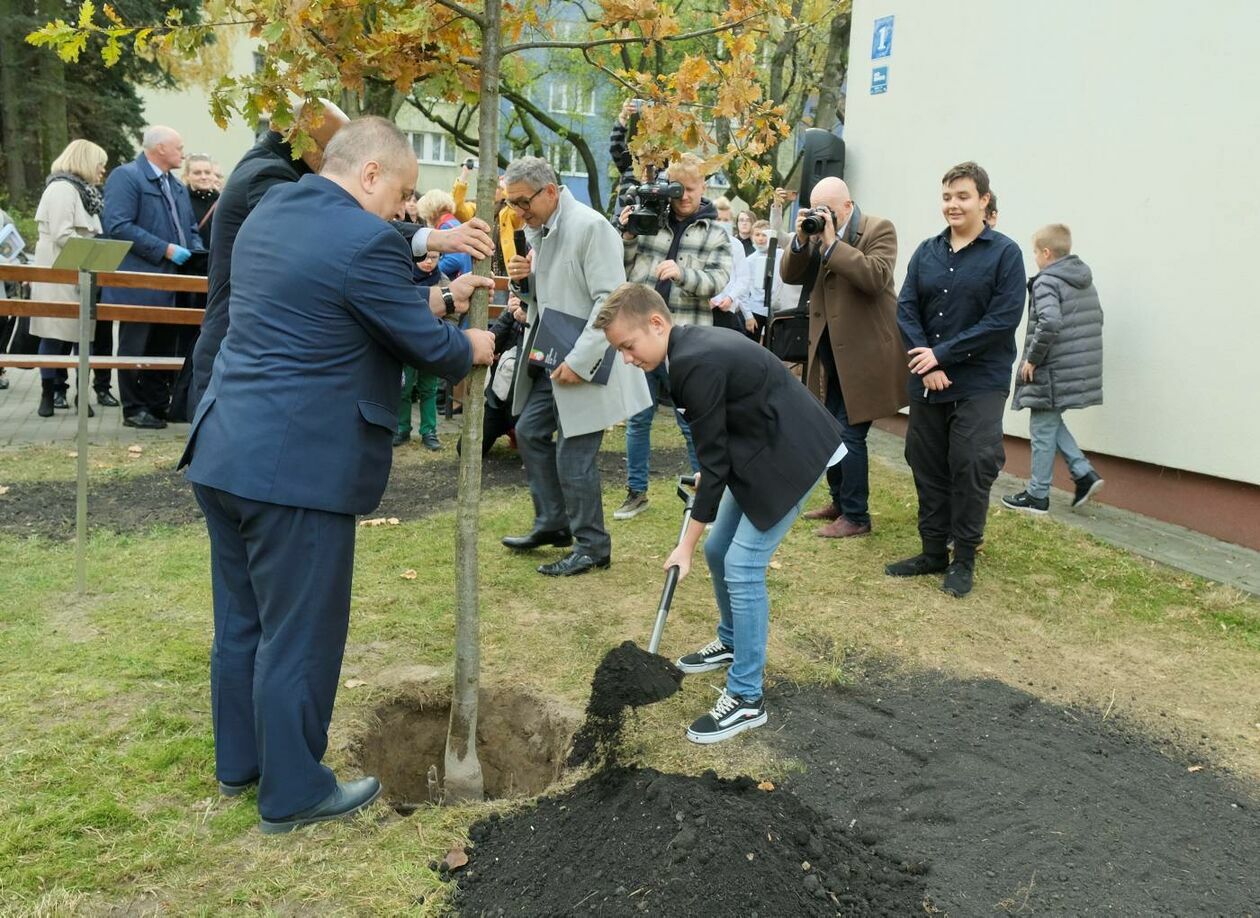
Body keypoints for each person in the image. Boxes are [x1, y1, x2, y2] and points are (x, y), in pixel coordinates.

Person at [179, 116, 496, 834]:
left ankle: (242, 765)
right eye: (403, 192)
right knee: (300, 634)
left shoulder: (269, 209)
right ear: (370, 175)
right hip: (296, 470)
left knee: (241, 623)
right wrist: (468, 342)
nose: (406, 210)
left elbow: (346, 297)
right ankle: (293, 793)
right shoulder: (363, 242)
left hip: (222, 449)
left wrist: (428, 271)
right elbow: (423, 345)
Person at [596, 283, 844, 744]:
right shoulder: (684, 352)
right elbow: (717, 448)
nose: (627, 359)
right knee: (718, 549)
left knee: (743, 566)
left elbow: (714, 465)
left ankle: (747, 699)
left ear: (656, 323)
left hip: (792, 455)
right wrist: (701, 511)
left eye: (627, 347)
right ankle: (732, 640)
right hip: (760, 448)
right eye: (619, 351)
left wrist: (681, 548)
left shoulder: (694, 361)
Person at [188, 102, 493, 415]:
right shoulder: (269, 179)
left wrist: (444, 290)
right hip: (248, 374)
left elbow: (342, 283)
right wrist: (465, 345)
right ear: (311, 145)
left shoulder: (279, 173)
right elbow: (344, 250)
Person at [502, 157, 651, 576]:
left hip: (588, 360)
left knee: (574, 457)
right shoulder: (542, 229)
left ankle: (592, 547)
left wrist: (580, 362)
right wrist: (522, 281)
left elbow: (610, 299)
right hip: (554, 357)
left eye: (522, 201)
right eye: (511, 203)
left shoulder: (590, 227)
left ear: (550, 191)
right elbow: (549, 296)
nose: (517, 211)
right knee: (529, 431)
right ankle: (553, 523)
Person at [889, 161, 1026, 598]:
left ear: (984, 200)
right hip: (927, 378)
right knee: (925, 462)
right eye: (947, 196)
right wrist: (929, 365)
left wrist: (942, 355)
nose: (953, 204)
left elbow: (1002, 321)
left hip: (980, 382)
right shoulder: (927, 252)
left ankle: (963, 556)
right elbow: (906, 308)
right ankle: (932, 552)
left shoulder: (1006, 254)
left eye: (963, 196)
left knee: (970, 463)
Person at [782, 177, 909, 539]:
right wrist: (802, 239)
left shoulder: (877, 229)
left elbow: (875, 276)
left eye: (829, 211)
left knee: (848, 435)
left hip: (867, 356)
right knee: (828, 430)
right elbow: (791, 274)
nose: (823, 218)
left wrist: (833, 242)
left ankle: (857, 515)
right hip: (830, 354)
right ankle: (840, 502)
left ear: (848, 207)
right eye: (816, 210)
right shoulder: (817, 235)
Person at [614, 152, 730, 520]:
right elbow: (622, 263)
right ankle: (636, 492)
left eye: (691, 190)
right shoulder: (651, 220)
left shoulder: (715, 232)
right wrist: (628, 233)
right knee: (638, 416)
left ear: (704, 187)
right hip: (640, 337)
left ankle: (704, 496)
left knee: (692, 421)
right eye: (677, 190)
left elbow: (719, 280)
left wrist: (684, 274)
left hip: (686, 340)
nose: (684, 198)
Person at [100, 125, 203, 429]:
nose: (182, 153)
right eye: (179, 147)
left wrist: (195, 250)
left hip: (173, 282)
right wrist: (165, 249)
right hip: (141, 280)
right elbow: (117, 225)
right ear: (160, 148)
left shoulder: (176, 185)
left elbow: (191, 227)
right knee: (136, 345)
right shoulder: (127, 177)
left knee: (164, 344)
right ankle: (134, 408)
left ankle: (157, 404)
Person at [1002, 223, 1104, 513]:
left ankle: (1037, 495)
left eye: (1035, 252)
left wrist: (1032, 359)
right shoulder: (1082, 279)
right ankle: (1083, 473)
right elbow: (1097, 318)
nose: (1034, 258)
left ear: (1046, 253)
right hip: (1073, 365)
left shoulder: (1047, 281)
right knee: (1049, 421)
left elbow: (1050, 322)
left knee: (1042, 427)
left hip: (1052, 368)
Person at [28, 139, 109, 418]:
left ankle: (81, 396)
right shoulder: (62, 189)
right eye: (100, 163)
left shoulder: (85, 191)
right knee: (53, 333)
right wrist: (97, 253)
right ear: (86, 161)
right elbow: (63, 234)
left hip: (82, 270)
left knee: (84, 338)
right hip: (59, 272)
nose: (102, 170)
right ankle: (48, 394)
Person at [167, 153, 221, 423]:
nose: (203, 177)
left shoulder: (222, 202)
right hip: (187, 274)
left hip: (212, 277)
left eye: (207, 173)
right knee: (182, 337)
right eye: (197, 172)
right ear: (186, 176)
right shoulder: (181, 201)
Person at [395, 248, 446, 449]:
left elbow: (453, 314)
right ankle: (402, 428)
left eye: (433, 258)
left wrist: (442, 332)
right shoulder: (404, 280)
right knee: (403, 388)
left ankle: (429, 431)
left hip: (431, 343)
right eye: (423, 258)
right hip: (406, 343)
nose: (428, 262)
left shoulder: (444, 282)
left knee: (429, 388)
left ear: (439, 258)